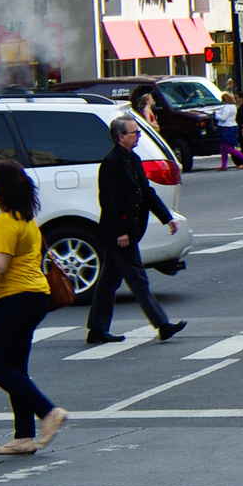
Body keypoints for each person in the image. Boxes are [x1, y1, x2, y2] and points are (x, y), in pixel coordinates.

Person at [0, 159, 67, 455]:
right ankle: (24, 436)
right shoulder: (25, 219)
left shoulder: (5, 224)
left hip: (16, 299)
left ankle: (48, 412)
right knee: (15, 368)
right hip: (31, 297)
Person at [86, 113, 187, 344]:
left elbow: (146, 193)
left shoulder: (133, 158)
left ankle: (96, 330)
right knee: (138, 280)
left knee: (108, 283)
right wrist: (119, 232)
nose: (138, 136)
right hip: (120, 234)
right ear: (121, 136)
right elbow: (108, 202)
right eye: (134, 133)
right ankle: (162, 325)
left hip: (130, 230)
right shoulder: (111, 163)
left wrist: (167, 217)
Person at [215, 92, 243, 170]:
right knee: (223, 147)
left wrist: (215, 115)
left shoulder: (226, 107)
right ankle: (223, 165)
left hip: (226, 127)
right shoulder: (233, 107)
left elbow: (223, 117)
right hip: (232, 126)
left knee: (227, 147)